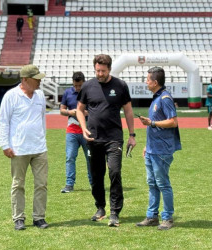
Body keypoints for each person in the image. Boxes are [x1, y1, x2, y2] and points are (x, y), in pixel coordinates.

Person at [76, 54, 136, 227]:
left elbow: (129, 111)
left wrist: (132, 135)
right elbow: (79, 110)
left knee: (114, 172)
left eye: (102, 71)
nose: (99, 74)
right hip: (93, 138)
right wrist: (83, 127)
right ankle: (100, 207)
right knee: (96, 175)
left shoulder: (120, 85)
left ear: (109, 69)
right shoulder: (87, 86)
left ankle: (115, 212)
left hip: (114, 138)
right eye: (97, 70)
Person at [0, 65, 49, 230]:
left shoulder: (40, 95)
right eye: (36, 79)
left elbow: (42, 119)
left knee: (41, 184)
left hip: (39, 148)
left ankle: (39, 217)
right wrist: (5, 145)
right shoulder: (11, 96)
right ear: (25, 80)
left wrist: (43, 138)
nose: (39, 82)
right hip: (19, 149)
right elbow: (3, 122)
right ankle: (18, 218)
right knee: (18, 184)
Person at [135, 67, 181, 230]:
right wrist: (147, 146)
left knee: (162, 184)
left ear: (155, 82)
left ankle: (167, 218)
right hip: (152, 149)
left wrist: (152, 123)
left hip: (162, 150)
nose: (145, 82)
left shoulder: (165, 98)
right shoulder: (157, 98)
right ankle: (152, 216)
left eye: (147, 79)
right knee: (152, 183)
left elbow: (173, 122)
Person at [60, 72, 92, 193]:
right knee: (70, 157)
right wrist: (70, 112)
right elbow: (61, 111)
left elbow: (96, 109)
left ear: (84, 82)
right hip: (72, 130)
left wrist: (85, 113)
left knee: (90, 158)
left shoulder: (90, 92)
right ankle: (69, 184)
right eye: (76, 85)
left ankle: (93, 183)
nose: (78, 88)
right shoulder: (68, 93)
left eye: (80, 85)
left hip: (88, 130)